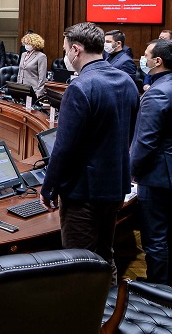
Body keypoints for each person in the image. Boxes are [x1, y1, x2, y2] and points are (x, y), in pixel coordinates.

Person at [40, 22, 139, 283]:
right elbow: (129, 134)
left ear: (76, 50)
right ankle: (109, 308)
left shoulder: (80, 87)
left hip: (84, 192)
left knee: (79, 265)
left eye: (65, 50)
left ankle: (87, 310)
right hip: (115, 187)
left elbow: (64, 147)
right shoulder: (127, 81)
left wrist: (48, 188)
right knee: (105, 254)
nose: (65, 56)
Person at [132, 39, 172, 284]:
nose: (143, 59)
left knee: (155, 235)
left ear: (157, 61)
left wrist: (129, 172)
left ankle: (156, 289)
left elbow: (145, 142)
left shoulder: (157, 93)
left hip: (157, 174)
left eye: (146, 55)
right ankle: (171, 282)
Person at [17, 32, 47, 99]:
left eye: (28, 43)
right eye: (25, 43)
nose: (26, 45)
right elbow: (20, 71)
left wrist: (39, 92)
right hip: (21, 88)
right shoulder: (23, 54)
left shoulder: (41, 56)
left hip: (33, 89)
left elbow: (42, 77)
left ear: (35, 44)